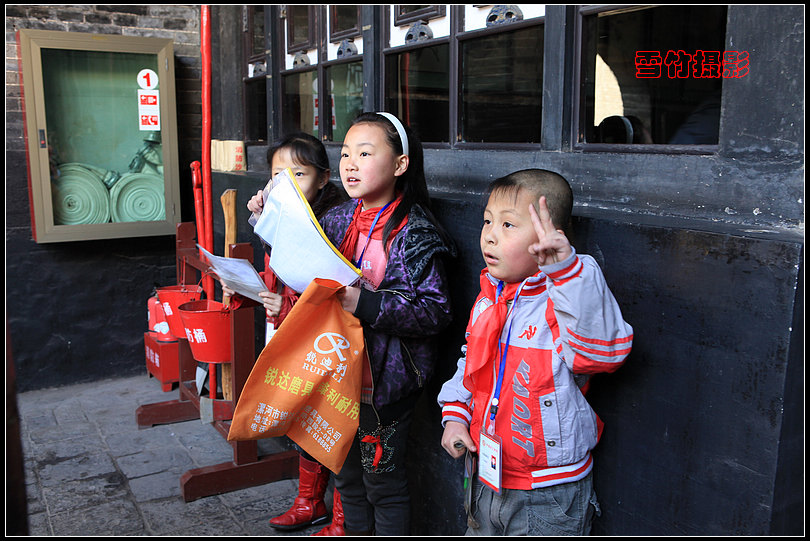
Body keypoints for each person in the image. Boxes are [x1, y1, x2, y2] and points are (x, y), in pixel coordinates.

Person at [437, 169, 633, 536]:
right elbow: (471, 363)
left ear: (550, 234)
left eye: (508, 225)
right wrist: (455, 415)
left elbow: (602, 354)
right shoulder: (490, 296)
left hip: (547, 491)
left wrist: (565, 271)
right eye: (487, 221)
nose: (490, 235)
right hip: (486, 477)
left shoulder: (568, 294)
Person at [318, 111, 455, 535]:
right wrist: (268, 217)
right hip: (333, 370)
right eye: (344, 154)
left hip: (385, 384)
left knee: (383, 484)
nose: (350, 164)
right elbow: (297, 258)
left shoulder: (414, 231)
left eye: (364, 152)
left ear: (400, 164)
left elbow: (435, 311)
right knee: (346, 478)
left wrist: (366, 303)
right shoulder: (340, 219)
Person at [222, 132, 346, 533]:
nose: (287, 183)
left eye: (299, 173)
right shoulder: (283, 213)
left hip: (327, 342)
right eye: (279, 174)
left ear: (323, 178)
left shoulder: (335, 220)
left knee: (332, 424)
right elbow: (282, 276)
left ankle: (342, 519)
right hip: (291, 330)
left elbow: (328, 290)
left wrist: (284, 304)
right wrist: (249, 286)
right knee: (303, 418)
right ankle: (309, 502)